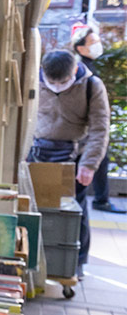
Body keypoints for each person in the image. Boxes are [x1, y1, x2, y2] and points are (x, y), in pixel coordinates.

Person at [29, 48, 110, 277]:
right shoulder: (35, 79)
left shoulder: (92, 86)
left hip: (74, 155)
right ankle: (38, 257)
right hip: (38, 151)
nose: (56, 86)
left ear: (74, 70)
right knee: (37, 207)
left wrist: (90, 164)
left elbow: (99, 129)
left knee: (76, 211)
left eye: (62, 81)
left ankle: (76, 261)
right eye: (51, 81)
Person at [71, 22, 124, 212]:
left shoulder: (87, 67)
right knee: (80, 192)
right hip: (86, 133)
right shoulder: (81, 71)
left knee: (99, 163)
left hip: (91, 132)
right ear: (80, 47)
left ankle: (101, 200)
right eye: (93, 41)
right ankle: (101, 200)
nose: (98, 45)